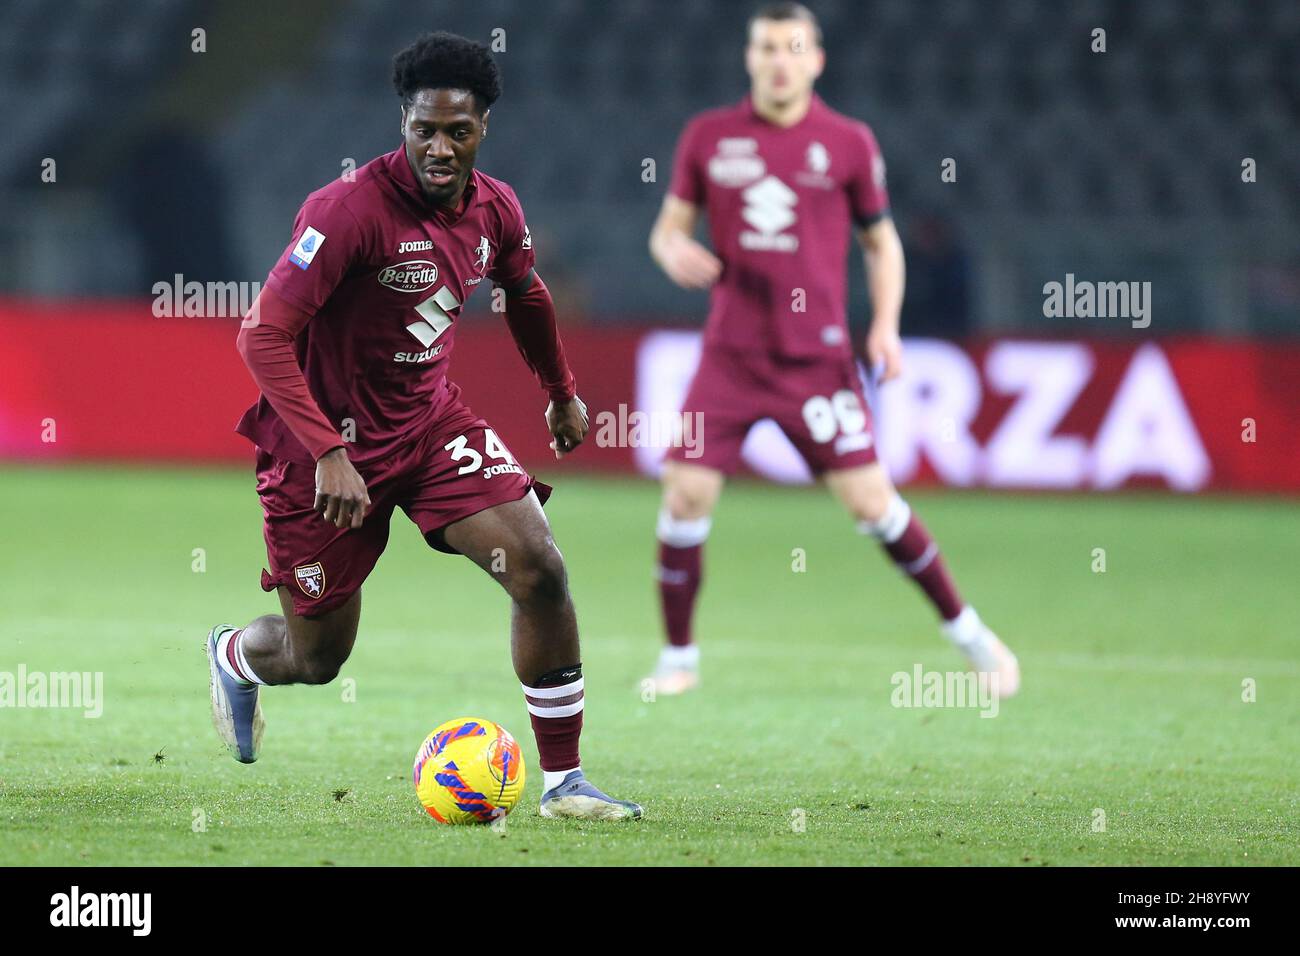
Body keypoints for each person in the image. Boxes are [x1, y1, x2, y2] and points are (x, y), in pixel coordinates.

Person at [206, 31, 641, 821]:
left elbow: (528, 292)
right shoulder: (345, 213)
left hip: (430, 427)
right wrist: (330, 452)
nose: (439, 148)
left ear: (483, 129)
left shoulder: (495, 207)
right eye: (423, 131)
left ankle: (565, 783)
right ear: (402, 123)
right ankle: (236, 654)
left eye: (457, 131)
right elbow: (260, 336)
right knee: (316, 657)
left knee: (539, 568)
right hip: (320, 453)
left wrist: (561, 390)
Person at [645, 3, 1019, 698]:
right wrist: (674, 253)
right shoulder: (708, 137)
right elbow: (667, 230)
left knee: (873, 505)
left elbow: (882, 242)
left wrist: (885, 325)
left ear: (815, 60)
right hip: (730, 354)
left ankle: (973, 636)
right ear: (749, 57)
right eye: (766, 47)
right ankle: (678, 660)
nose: (779, 60)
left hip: (814, 359)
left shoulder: (847, 142)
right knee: (686, 492)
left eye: (793, 48)